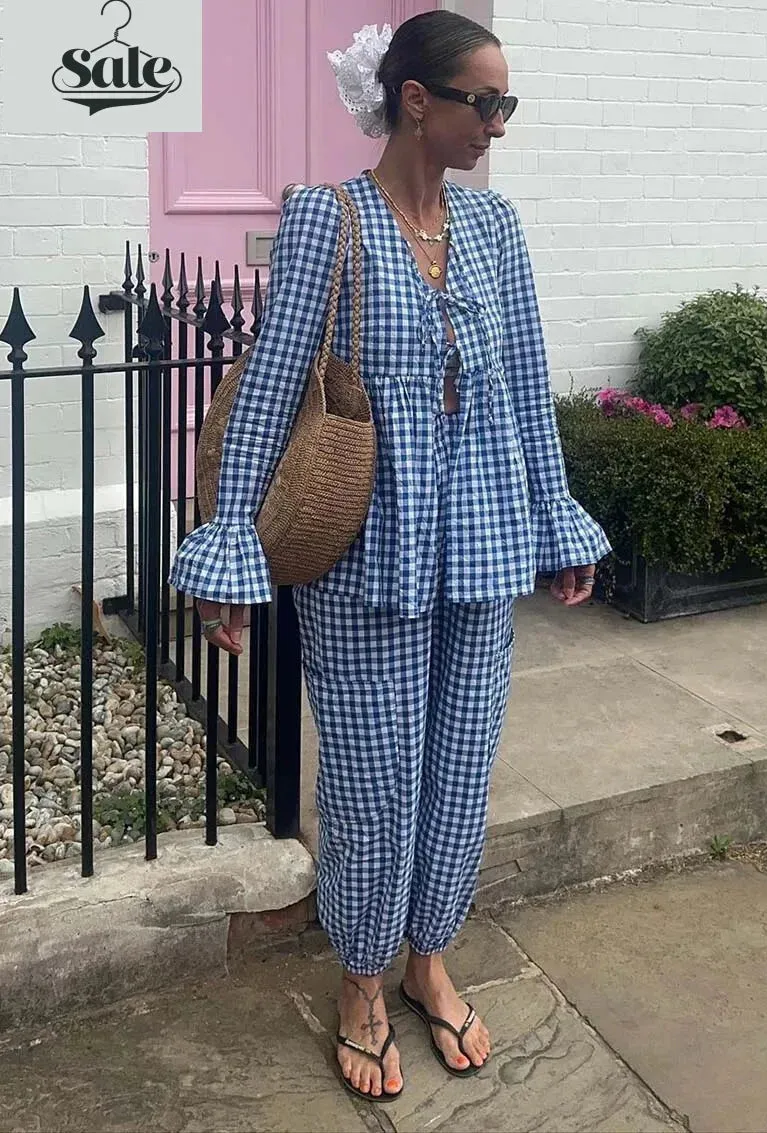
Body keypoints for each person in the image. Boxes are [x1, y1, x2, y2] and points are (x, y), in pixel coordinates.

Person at [169, 10, 611, 1103]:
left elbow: (520, 387)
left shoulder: (497, 227)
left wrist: (553, 519)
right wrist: (232, 556)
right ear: (418, 100)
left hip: (481, 541)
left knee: (459, 773)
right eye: (485, 103)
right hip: (366, 550)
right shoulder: (329, 221)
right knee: (373, 784)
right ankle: (363, 979)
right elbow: (273, 391)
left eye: (506, 105)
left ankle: (429, 954)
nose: (497, 126)